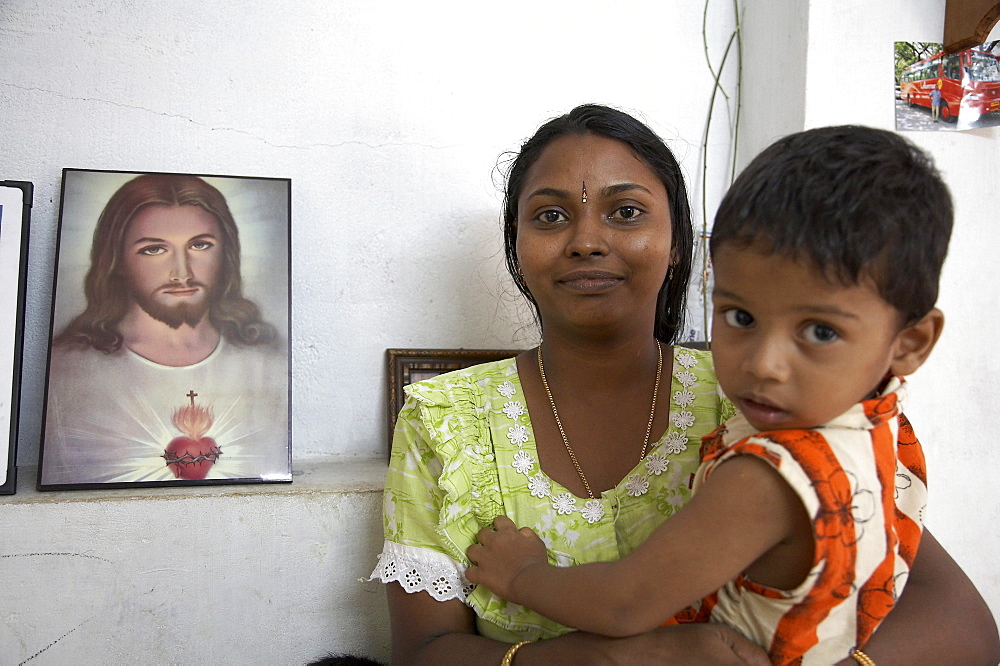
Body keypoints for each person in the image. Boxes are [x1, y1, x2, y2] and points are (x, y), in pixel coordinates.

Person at [370, 105, 999, 664]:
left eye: (626, 212)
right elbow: (424, 651)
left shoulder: (772, 407)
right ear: (517, 245)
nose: (587, 241)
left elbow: (960, 626)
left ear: (677, 245)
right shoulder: (444, 418)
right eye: (552, 216)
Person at [40, 173, 290, 486]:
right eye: (154, 249)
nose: (181, 273)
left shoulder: (267, 364)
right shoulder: (66, 370)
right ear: (116, 261)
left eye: (200, 245)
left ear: (226, 255)